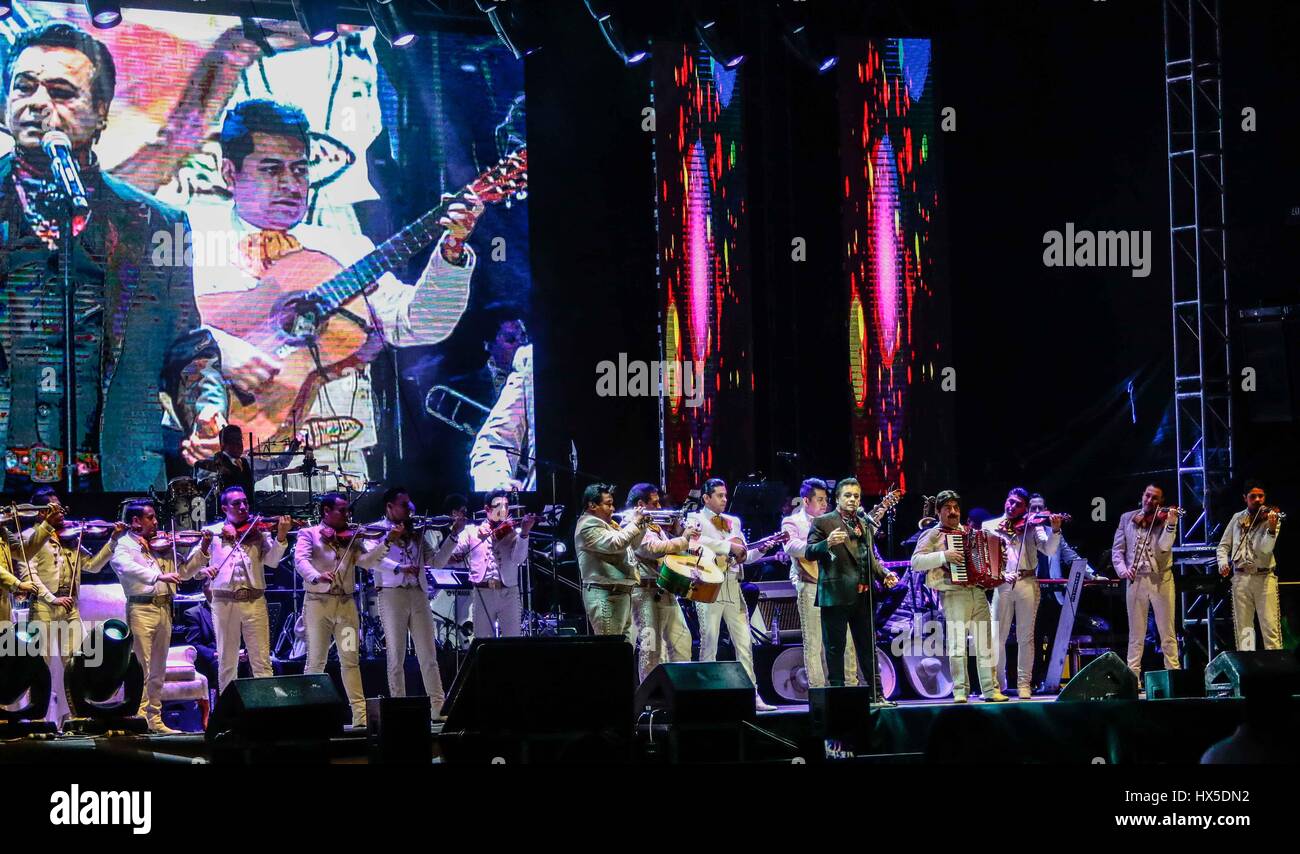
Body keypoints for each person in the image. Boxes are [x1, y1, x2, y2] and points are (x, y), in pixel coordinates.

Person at [191, 98, 480, 491]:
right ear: (230, 172)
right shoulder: (191, 244)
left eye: (300, 169)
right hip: (230, 465)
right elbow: (160, 338)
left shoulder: (347, 249)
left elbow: (419, 324)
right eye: (271, 170)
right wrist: (225, 350)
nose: (291, 184)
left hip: (336, 467)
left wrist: (451, 252)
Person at [0, 22, 227, 491]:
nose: (37, 103)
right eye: (23, 86)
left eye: (61, 92)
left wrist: (206, 409)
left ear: (101, 113)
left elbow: (187, 349)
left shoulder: (160, 225)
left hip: (116, 482)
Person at [15, 487, 122, 726]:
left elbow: (93, 566)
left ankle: (78, 717)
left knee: (76, 662)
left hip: (70, 608)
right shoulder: (30, 537)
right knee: (37, 663)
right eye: (55, 508)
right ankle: (37, 719)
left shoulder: (70, 538)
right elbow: (28, 574)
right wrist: (52, 599)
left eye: (61, 508)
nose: (62, 512)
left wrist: (113, 540)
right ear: (41, 513)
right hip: (43, 605)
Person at [294, 492, 392, 728]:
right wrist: (316, 576)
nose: (348, 515)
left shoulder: (352, 538)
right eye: (342, 510)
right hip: (318, 605)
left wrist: (385, 543)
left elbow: (367, 562)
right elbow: (301, 561)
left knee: (350, 660)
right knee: (316, 661)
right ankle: (311, 716)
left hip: (346, 607)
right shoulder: (309, 534)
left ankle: (360, 716)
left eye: (348, 510)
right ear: (326, 511)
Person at [111, 500, 210, 733]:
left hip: (165, 608)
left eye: (155, 517)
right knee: (141, 667)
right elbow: (124, 566)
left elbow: (184, 573)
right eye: (150, 517)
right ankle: (137, 716)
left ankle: (154, 718)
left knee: (158, 669)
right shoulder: (124, 545)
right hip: (141, 609)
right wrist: (158, 577)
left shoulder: (162, 545)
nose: (156, 522)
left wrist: (202, 550)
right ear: (136, 521)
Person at [805, 478, 900, 702]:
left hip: (863, 596)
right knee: (835, 650)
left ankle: (877, 696)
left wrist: (884, 574)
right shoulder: (823, 521)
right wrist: (826, 543)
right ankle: (837, 700)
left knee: (869, 648)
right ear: (837, 498)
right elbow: (809, 552)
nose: (852, 500)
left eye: (856, 496)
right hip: (836, 595)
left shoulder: (863, 522)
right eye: (847, 495)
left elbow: (869, 557)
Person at [909, 490, 1007, 703]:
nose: (953, 512)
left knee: (985, 644)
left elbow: (985, 560)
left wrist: (998, 567)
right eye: (947, 508)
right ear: (938, 511)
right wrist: (944, 555)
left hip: (977, 592)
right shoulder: (934, 534)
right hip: (953, 594)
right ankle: (960, 691)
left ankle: (991, 690)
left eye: (956, 508)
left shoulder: (970, 532)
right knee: (957, 645)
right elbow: (915, 562)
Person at [192, 486, 290, 696]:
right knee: (227, 661)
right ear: (225, 507)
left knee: (262, 660)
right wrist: (203, 569)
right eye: (237, 504)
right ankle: (230, 716)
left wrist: (281, 537)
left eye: (245, 502)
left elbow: (272, 562)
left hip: (254, 601)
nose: (244, 507)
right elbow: (193, 569)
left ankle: (266, 708)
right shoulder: (213, 532)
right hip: (224, 601)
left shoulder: (258, 531)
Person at [689, 478, 776, 711]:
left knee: (744, 642)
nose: (724, 499)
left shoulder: (733, 522)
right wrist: (729, 546)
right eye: (719, 495)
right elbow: (696, 543)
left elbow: (743, 555)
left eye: (725, 495)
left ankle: (752, 694)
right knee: (709, 640)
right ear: (706, 498)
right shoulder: (694, 520)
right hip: (707, 584)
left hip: (732, 583)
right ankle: (704, 697)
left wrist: (760, 549)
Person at [365, 487, 447, 719]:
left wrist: (452, 537)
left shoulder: (416, 532)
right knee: (396, 656)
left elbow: (437, 561)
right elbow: (372, 561)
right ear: (389, 507)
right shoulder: (376, 531)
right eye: (404, 505)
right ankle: (399, 707)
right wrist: (398, 566)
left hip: (418, 593)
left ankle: (437, 706)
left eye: (410, 504)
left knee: (428, 654)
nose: (409, 509)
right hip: (392, 594)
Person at [781, 477, 859, 690]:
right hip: (810, 585)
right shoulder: (792, 522)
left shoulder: (833, 520)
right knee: (814, 643)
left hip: (836, 586)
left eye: (826, 499)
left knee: (845, 640)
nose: (825, 504)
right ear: (806, 501)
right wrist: (824, 544)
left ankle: (850, 687)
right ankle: (818, 692)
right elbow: (792, 546)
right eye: (820, 499)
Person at [984, 487, 1062, 698]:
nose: (1012, 506)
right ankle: (997, 684)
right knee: (996, 635)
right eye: (1010, 501)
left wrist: (1054, 530)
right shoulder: (990, 526)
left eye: (1018, 504)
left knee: (1025, 637)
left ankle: (1023, 684)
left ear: (1025, 508)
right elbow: (986, 557)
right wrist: (1000, 574)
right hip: (1002, 582)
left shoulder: (1033, 526)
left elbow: (1049, 550)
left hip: (1027, 580)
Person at [624, 483, 697, 680]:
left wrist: (683, 534)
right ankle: (651, 703)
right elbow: (650, 548)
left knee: (682, 642)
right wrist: (684, 539)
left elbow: (670, 552)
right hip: (644, 594)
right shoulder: (630, 523)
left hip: (664, 590)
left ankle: (681, 695)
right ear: (641, 504)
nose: (659, 508)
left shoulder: (652, 523)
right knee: (652, 651)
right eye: (655, 504)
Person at [1112, 485, 1181, 679]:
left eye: (1155, 498)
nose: (1150, 501)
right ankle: (1132, 677)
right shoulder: (1127, 518)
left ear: (1161, 502)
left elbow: (1164, 546)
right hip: (1136, 579)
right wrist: (1123, 570)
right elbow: (1118, 550)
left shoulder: (1165, 519)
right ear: (1142, 495)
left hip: (1161, 579)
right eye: (1148, 496)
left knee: (1167, 631)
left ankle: (1173, 674)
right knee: (1136, 634)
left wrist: (1171, 524)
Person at [447, 489, 531, 639]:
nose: (503, 510)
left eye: (506, 506)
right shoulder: (472, 531)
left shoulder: (512, 533)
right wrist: (456, 531)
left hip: (508, 592)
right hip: (482, 592)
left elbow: (519, 559)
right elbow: (451, 554)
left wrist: (524, 533)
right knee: (483, 640)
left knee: (513, 641)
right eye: (498, 506)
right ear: (487, 509)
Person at [1216, 481, 1284, 651]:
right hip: (1240, 578)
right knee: (1245, 630)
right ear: (1245, 498)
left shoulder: (1272, 518)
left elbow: (1266, 549)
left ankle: (1277, 672)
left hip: (1264, 578)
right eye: (1253, 496)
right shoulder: (1237, 518)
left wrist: (1271, 528)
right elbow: (1223, 546)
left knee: (1270, 628)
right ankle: (1248, 671)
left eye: (1261, 496)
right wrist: (1223, 563)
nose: (1258, 500)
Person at [575, 484, 647, 639]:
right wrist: (634, 523)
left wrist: (642, 526)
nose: (613, 508)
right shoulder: (588, 524)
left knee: (624, 651)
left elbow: (632, 545)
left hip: (620, 594)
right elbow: (615, 544)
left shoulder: (609, 524)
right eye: (608, 504)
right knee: (610, 653)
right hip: (606, 595)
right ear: (592, 505)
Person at [470, 343, 534, 491]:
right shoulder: (529, 359)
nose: (518, 342)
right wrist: (496, 482)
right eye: (511, 339)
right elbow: (494, 442)